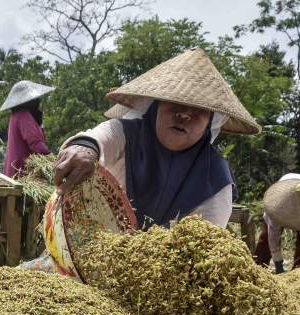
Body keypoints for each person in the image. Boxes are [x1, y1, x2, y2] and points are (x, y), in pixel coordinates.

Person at [53, 47, 261, 230]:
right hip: (96, 243)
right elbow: (97, 140)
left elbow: (203, 242)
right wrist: (84, 150)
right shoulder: (127, 133)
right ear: (155, 106)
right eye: (174, 102)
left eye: (200, 109)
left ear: (210, 122)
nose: (184, 114)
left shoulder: (215, 175)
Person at [255, 174, 300, 273]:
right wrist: (278, 266)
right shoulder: (276, 208)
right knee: (265, 239)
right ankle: (258, 268)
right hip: (282, 192)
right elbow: (273, 238)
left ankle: (299, 271)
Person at [0, 80, 55, 178]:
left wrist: (39, 122)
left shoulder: (15, 115)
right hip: (20, 172)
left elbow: (39, 138)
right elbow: (35, 142)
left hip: (14, 171)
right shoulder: (23, 115)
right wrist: (51, 157)